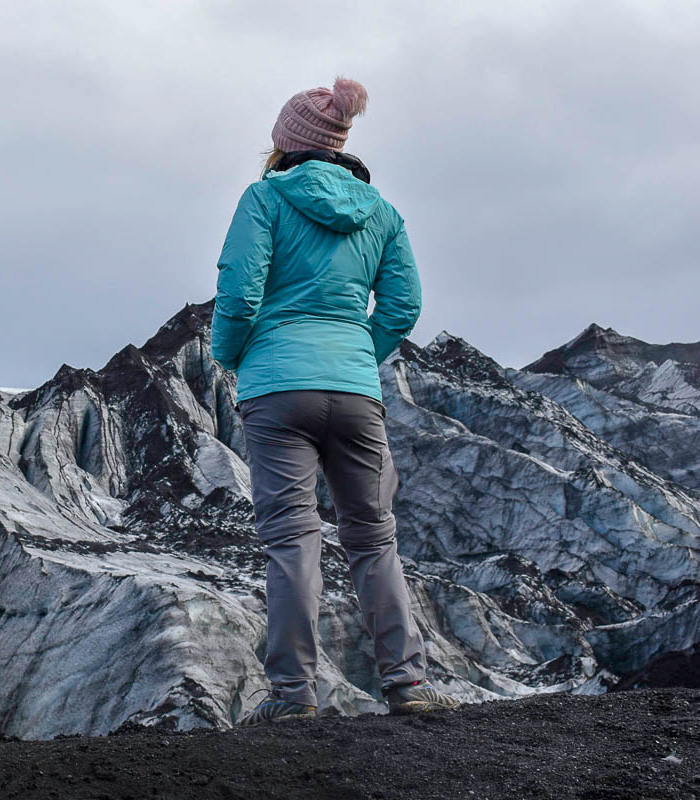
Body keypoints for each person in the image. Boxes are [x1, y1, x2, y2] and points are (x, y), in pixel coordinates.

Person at [210, 77, 461, 724]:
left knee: (292, 541)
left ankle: (295, 698)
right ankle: (407, 685)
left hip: (275, 390)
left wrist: (236, 355)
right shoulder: (381, 212)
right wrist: (356, 353)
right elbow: (403, 306)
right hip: (355, 392)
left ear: (287, 144)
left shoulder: (264, 199)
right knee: (375, 540)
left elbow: (239, 297)